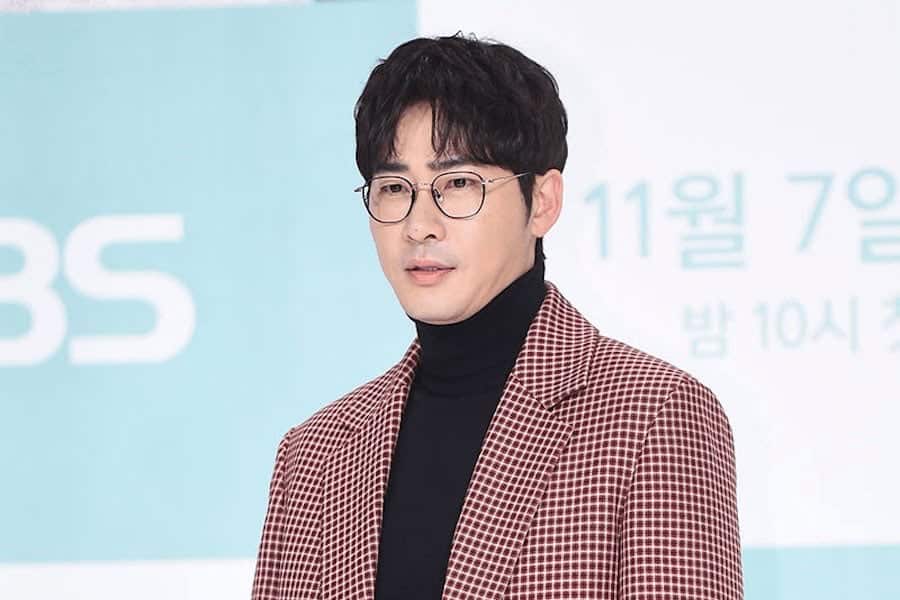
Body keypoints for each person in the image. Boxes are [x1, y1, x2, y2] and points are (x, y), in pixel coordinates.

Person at [251, 33, 743, 600]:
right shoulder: (314, 456)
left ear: (543, 202)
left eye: (459, 183)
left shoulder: (654, 415)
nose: (419, 225)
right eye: (394, 188)